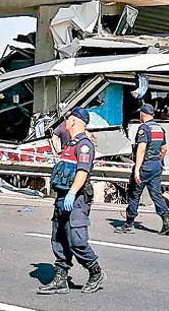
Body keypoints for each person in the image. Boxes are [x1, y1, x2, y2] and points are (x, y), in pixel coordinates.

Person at [38, 107, 106, 295]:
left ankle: (95, 271)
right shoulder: (70, 143)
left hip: (76, 199)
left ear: (74, 121)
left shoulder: (84, 145)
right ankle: (60, 278)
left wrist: (72, 192)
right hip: (62, 197)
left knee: (77, 240)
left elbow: (82, 171)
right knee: (59, 238)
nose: (64, 122)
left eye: (66, 119)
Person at [117, 103, 169, 235]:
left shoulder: (144, 128)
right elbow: (164, 149)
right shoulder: (160, 129)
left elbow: (141, 148)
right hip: (156, 166)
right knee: (157, 195)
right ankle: (166, 221)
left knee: (134, 194)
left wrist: (137, 169)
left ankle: (129, 223)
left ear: (142, 114)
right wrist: (158, 160)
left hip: (145, 166)